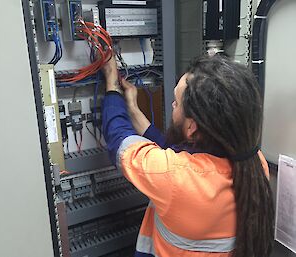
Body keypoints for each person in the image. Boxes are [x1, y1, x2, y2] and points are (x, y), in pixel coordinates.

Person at [101, 54, 274, 257]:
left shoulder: (174, 179)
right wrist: (133, 110)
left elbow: (118, 138)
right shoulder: (255, 162)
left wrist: (112, 81)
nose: (173, 106)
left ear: (192, 128)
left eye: (176, 102)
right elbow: (183, 157)